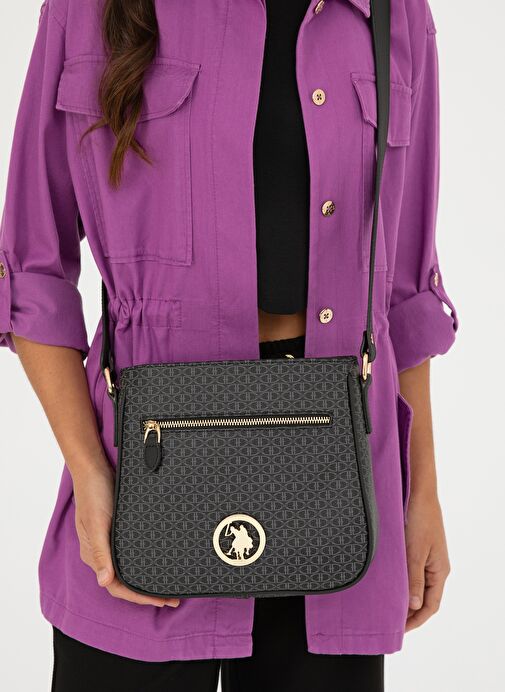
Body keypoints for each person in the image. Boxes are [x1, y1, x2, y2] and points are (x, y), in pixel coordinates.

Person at [0, 0, 459, 690]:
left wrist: (420, 494)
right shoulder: (88, 9)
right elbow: (31, 269)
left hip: (341, 473)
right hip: (143, 476)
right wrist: (89, 471)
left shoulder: (391, 14)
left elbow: (401, 295)